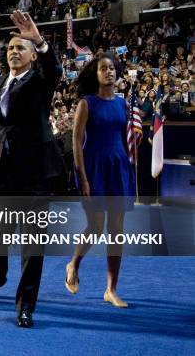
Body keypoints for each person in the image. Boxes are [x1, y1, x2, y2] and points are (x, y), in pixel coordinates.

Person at [0, 10, 64, 328]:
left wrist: (38, 39)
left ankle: (26, 304)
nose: (14, 51)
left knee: (32, 247)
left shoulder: (41, 82)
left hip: (34, 176)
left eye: (20, 48)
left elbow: (54, 68)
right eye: (11, 47)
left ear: (31, 56)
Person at [65, 53, 135, 308]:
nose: (109, 72)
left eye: (112, 68)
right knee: (95, 226)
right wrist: (82, 176)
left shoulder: (123, 104)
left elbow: (125, 138)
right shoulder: (87, 103)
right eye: (103, 69)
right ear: (95, 74)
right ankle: (73, 263)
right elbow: (76, 142)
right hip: (93, 169)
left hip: (118, 168)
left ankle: (111, 289)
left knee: (117, 231)